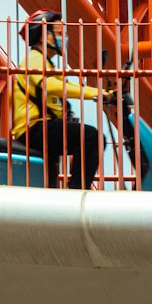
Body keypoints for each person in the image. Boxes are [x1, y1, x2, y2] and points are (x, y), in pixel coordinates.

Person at [12, 10, 104, 189]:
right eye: (61, 34)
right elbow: (50, 86)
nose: (65, 38)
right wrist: (95, 92)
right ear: (45, 37)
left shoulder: (46, 62)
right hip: (33, 128)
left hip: (41, 127)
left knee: (80, 136)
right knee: (90, 136)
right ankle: (77, 191)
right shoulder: (34, 58)